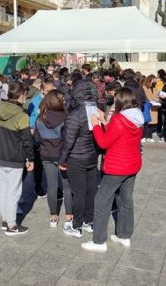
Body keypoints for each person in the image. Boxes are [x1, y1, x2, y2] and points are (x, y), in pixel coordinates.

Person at [82, 87, 144, 253]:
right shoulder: (136, 116)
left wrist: (95, 125)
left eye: (115, 99)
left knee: (102, 201)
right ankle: (125, 236)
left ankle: (99, 241)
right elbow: (119, 134)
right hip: (132, 165)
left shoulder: (119, 119)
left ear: (121, 101)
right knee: (125, 199)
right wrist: (104, 122)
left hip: (117, 167)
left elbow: (103, 143)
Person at [0, 82, 34, 236]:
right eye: (24, 95)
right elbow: (27, 140)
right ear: (20, 95)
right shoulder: (21, 115)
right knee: (14, 192)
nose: (25, 98)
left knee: (3, 189)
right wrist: (31, 158)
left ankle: (5, 220)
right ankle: (12, 225)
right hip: (14, 157)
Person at [59, 75, 99, 238]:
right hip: (91, 156)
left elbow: (68, 141)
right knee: (91, 191)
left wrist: (62, 160)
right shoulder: (95, 109)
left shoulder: (75, 114)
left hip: (76, 158)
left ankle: (76, 226)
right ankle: (88, 222)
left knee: (79, 193)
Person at [34, 90, 73, 229]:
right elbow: (69, 139)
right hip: (62, 155)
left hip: (46, 154)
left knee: (51, 185)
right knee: (67, 186)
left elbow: (37, 138)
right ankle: (68, 216)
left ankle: (53, 216)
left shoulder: (40, 118)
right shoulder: (67, 118)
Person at [142, 75, 159, 143]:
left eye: (155, 80)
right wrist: (150, 100)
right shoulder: (144, 88)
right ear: (149, 80)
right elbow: (144, 97)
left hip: (154, 107)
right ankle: (143, 136)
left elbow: (158, 97)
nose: (154, 81)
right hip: (147, 107)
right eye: (153, 80)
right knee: (146, 123)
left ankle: (150, 136)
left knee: (153, 123)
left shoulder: (155, 88)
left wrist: (157, 100)